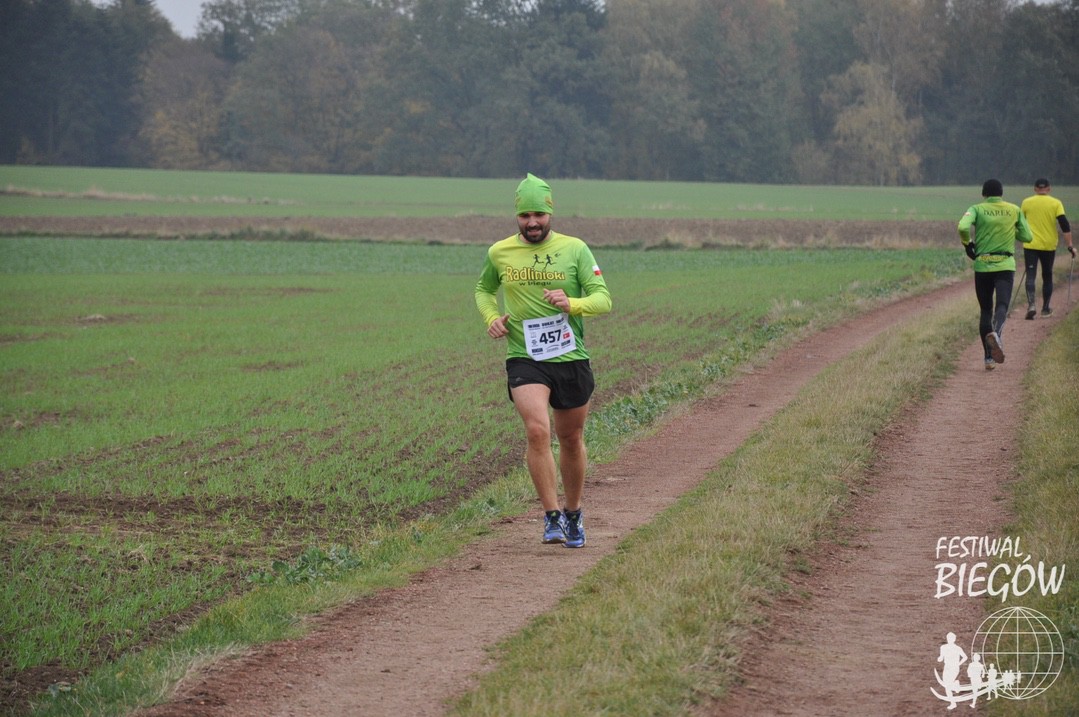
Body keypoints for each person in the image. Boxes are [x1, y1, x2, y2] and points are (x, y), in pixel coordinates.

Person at [475, 173, 612, 548]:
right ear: (516, 216)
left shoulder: (575, 249)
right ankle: (551, 516)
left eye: (538, 214)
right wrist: (491, 317)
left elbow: (603, 299)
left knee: (571, 438)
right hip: (525, 357)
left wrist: (573, 303)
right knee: (537, 431)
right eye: (525, 215)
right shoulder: (499, 252)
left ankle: (574, 513)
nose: (532, 222)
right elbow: (484, 289)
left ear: (550, 213)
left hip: (570, 356)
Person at [958, 179, 1034, 370]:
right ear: (1001, 193)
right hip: (1005, 265)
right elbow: (1027, 236)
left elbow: (962, 227)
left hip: (982, 265)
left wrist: (967, 244)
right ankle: (997, 335)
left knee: (986, 310)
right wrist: (1009, 230)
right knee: (1002, 305)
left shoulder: (977, 209)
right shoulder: (1014, 210)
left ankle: (988, 358)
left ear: (983, 194)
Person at [1020, 177, 1076, 319]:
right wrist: (1070, 246)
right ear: (1049, 189)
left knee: (1030, 275)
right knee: (1047, 275)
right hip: (1048, 245)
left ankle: (1031, 305)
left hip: (1030, 244)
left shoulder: (1026, 202)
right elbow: (1064, 224)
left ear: (1035, 189)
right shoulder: (1056, 203)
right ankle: (1045, 309)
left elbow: (1020, 224)